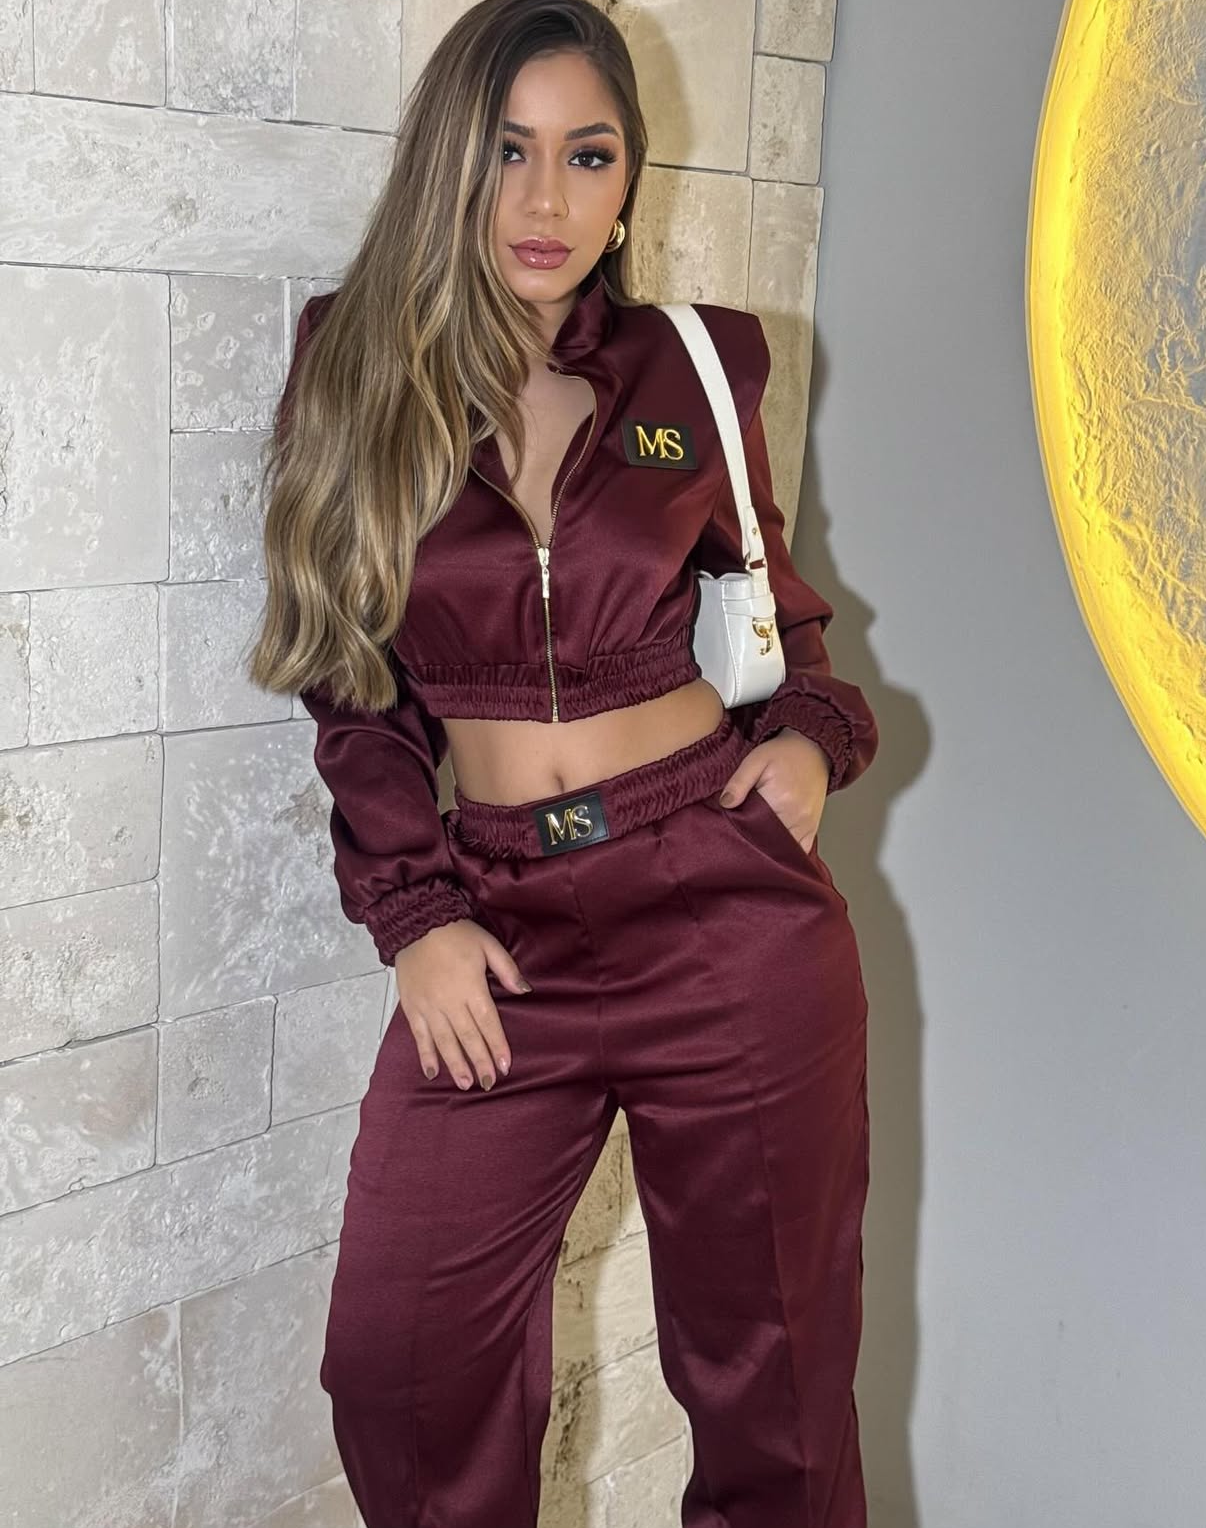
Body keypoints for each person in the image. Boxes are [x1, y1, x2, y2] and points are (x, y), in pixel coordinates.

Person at [249, 2, 879, 1524]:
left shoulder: (698, 368)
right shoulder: (353, 365)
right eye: (508, 153)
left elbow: (779, 617)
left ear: (628, 177)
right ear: (448, 165)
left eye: (587, 156)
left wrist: (807, 740)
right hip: (500, 926)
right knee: (403, 1370)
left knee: (777, 1389)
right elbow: (351, 680)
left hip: (724, 905)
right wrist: (416, 913)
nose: (546, 201)